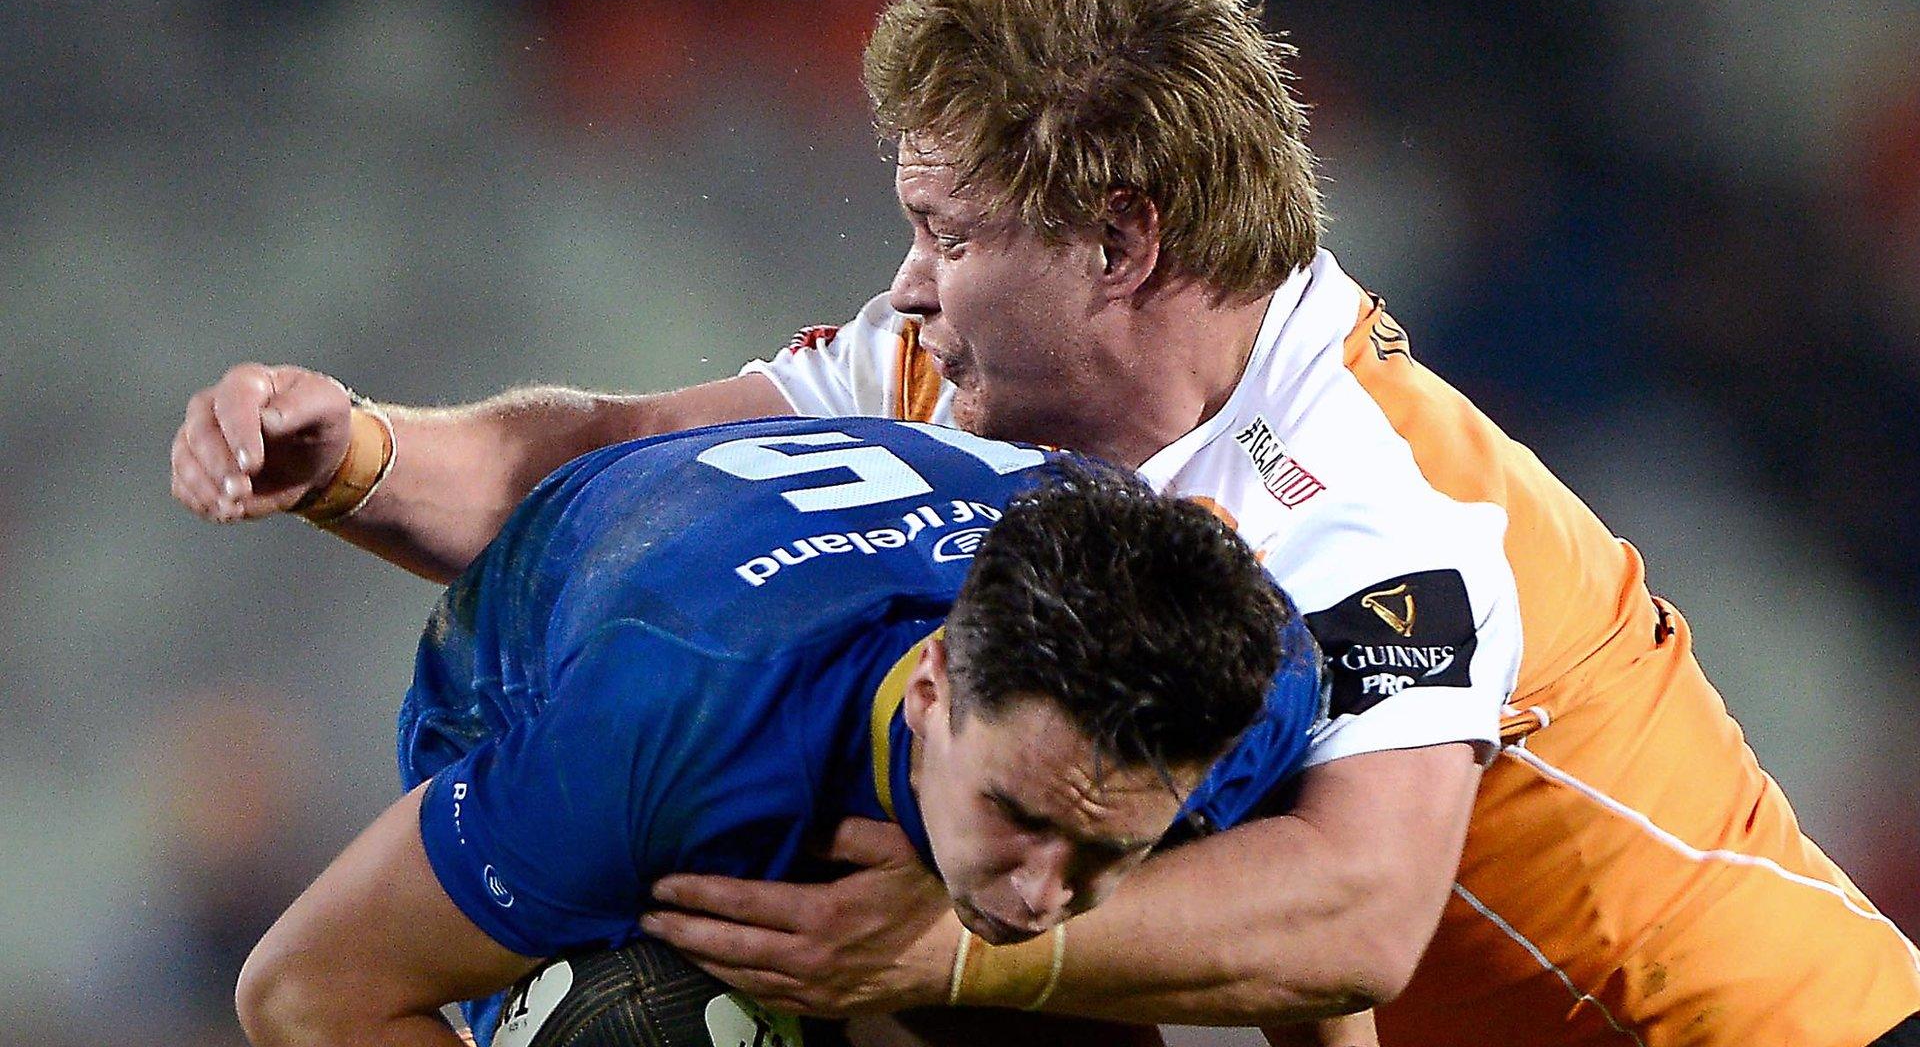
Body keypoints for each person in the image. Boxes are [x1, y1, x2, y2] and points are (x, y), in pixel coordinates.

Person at [179, 0, 1920, 1047]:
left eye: (951, 232)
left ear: (1119, 240)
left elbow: (1354, 912)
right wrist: (356, 451)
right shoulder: (939, 376)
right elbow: (598, 480)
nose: (915, 279)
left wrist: (950, 958)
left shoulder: (1362, 494)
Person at [232, 415, 1322, 1047]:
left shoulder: (1242, 680)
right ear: (935, 684)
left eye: (1107, 852)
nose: (1041, 892)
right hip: (569, 676)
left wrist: (957, 949)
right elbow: (303, 991)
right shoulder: (655, 731)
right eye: (1017, 814)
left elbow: (1314, 969)